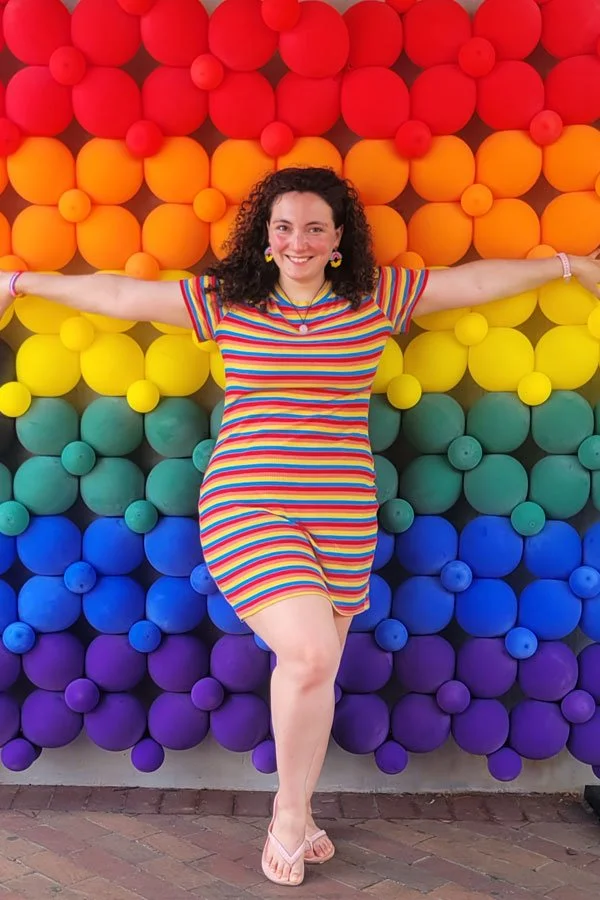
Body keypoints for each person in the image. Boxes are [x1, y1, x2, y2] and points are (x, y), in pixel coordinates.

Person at [1, 166, 599, 888]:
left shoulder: (376, 299)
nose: (298, 241)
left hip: (343, 514)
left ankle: (303, 814)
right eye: (284, 227)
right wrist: (23, 284)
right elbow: (125, 295)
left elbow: (473, 283)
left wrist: (568, 268)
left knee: (314, 671)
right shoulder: (229, 301)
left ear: (339, 238)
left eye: (315, 227)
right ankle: (287, 815)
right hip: (248, 506)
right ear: (266, 236)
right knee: (313, 655)